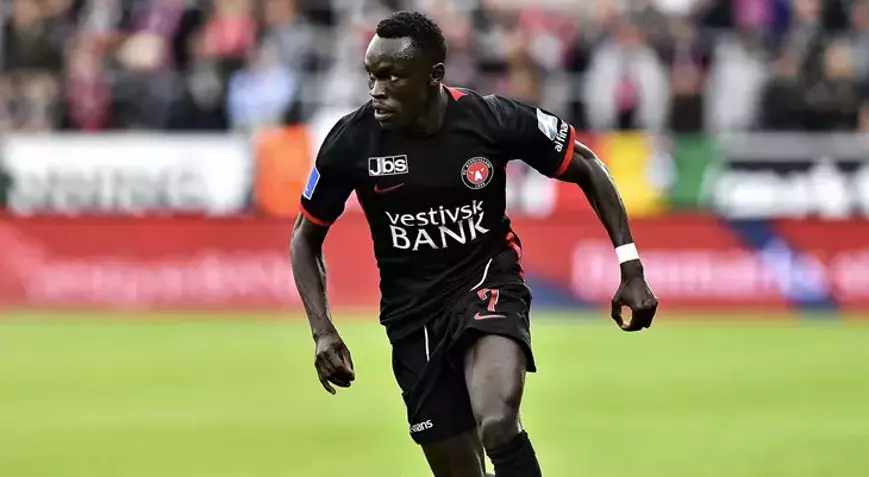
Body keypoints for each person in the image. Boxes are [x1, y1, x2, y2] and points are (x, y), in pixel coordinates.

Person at [290, 11, 658, 477]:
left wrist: (630, 266)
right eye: (371, 76)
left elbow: (585, 163)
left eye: (392, 76)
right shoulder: (351, 142)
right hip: (411, 318)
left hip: (487, 282)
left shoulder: (490, 119)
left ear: (434, 75)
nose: (376, 90)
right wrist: (322, 331)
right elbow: (305, 238)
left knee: (498, 424)